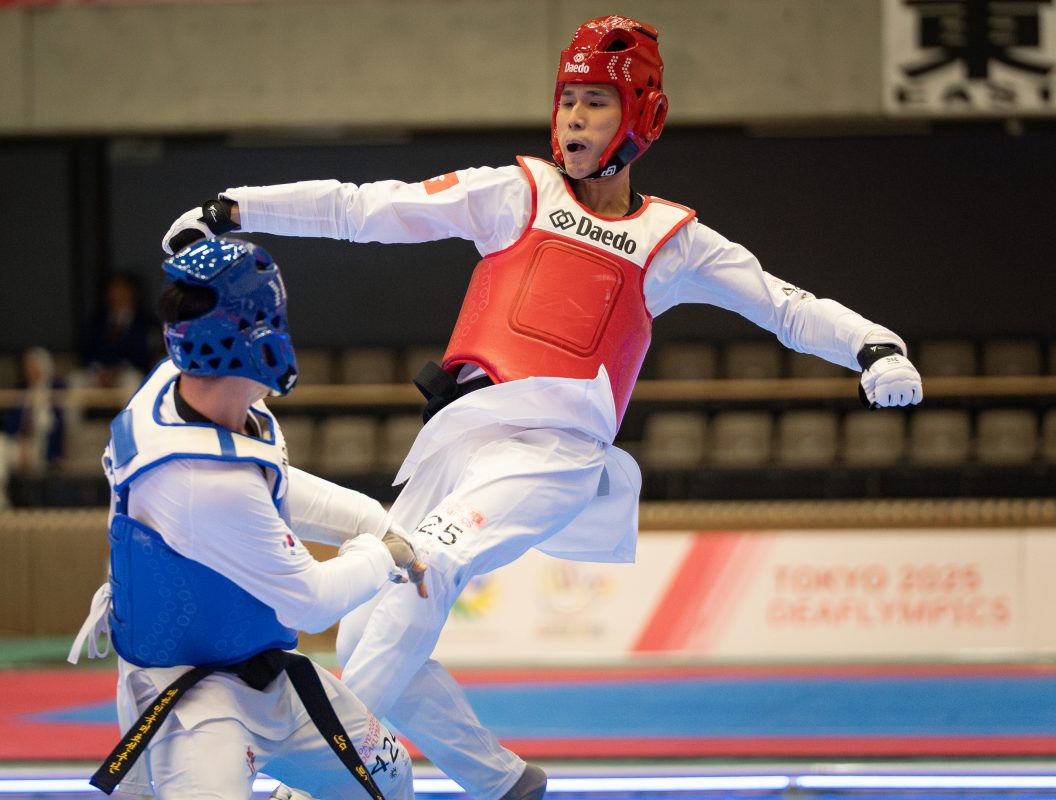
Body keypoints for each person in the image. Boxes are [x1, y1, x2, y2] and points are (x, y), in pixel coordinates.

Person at [161, 15, 924, 799]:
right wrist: (233, 209)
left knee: (425, 568)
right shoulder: (514, 193)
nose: (574, 119)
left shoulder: (673, 241)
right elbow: (365, 209)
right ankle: (504, 783)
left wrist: (875, 346)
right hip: (458, 438)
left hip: (553, 451)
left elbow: (785, 305)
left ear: (643, 116)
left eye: (596, 102)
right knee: (367, 630)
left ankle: (317, 784)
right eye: (567, 101)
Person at [68, 237, 425, 800]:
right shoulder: (201, 483)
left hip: (265, 668)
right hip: (189, 696)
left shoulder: (177, 387)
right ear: (258, 337)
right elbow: (310, 601)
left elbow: (274, 484)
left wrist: (373, 521)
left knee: (389, 775)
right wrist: (382, 555)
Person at [0, 346, 64, 510]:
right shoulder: (22, 392)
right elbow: (10, 426)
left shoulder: (56, 390)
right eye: (27, 366)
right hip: (22, 446)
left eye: (34, 366)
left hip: (43, 448)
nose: (30, 370)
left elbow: (55, 428)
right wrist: (21, 443)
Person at [79, 273, 158, 394]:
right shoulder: (97, 319)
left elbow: (146, 353)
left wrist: (118, 370)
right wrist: (99, 370)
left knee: (133, 381)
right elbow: (86, 350)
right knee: (76, 380)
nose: (118, 294)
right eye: (114, 289)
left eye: (123, 289)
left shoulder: (145, 321)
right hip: (98, 371)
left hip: (128, 371)